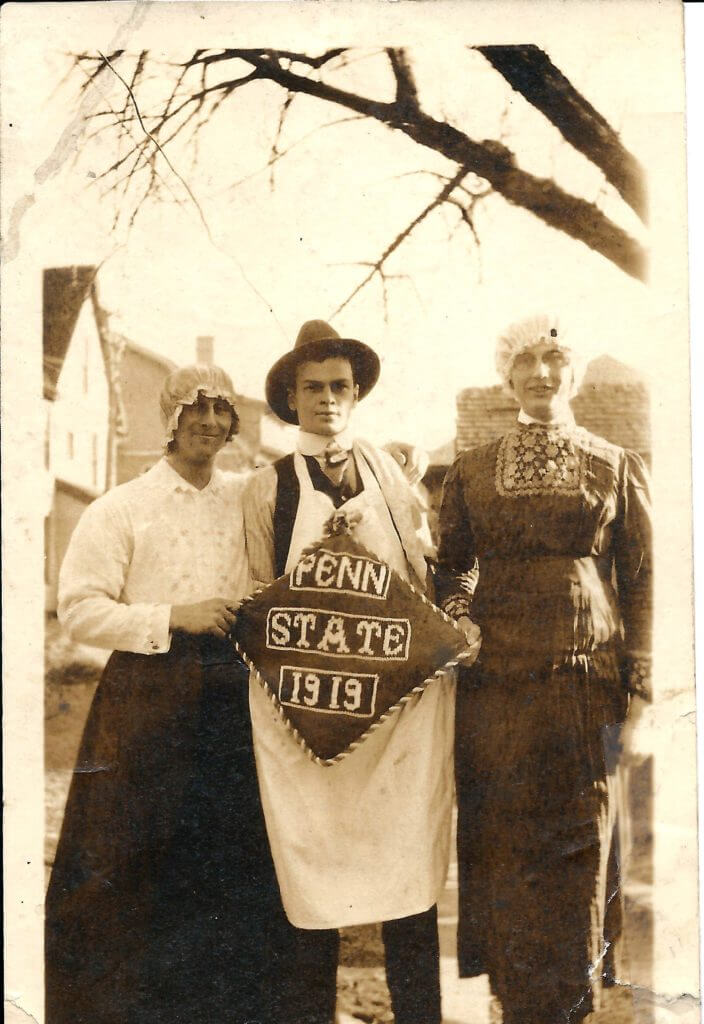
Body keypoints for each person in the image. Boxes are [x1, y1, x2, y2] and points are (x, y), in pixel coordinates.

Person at [242, 319, 481, 1024]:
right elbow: (257, 599)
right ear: (290, 398)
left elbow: (422, 571)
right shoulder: (267, 489)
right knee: (310, 871)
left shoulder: (389, 475)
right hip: (305, 712)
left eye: (339, 386)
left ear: (357, 393)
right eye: (312, 388)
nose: (327, 400)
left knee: (406, 872)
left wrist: (453, 622)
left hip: (396, 709)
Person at [45, 364, 285, 1024]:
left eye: (221, 411)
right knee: (138, 857)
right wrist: (171, 616)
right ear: (169, 419)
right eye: (194, 409)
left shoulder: (244, 498)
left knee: (224, 859)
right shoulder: (122, 507)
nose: (209, 422)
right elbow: (80, 609)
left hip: (232, 697)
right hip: (147, 698)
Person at [436, 314, 652, 1024]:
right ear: (507, 375)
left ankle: (571, 1003)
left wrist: (641, 682)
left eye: (554, 360)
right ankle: (511, 1003)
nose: (540, 375)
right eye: (525, 362)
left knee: (582, 837)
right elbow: (453, 569)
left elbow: (643, 578)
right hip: (495, 685)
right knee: (503, 835)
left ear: (573, 372)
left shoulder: (613, 463)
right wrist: (461, 613)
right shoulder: (472, 467)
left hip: (587, 683)